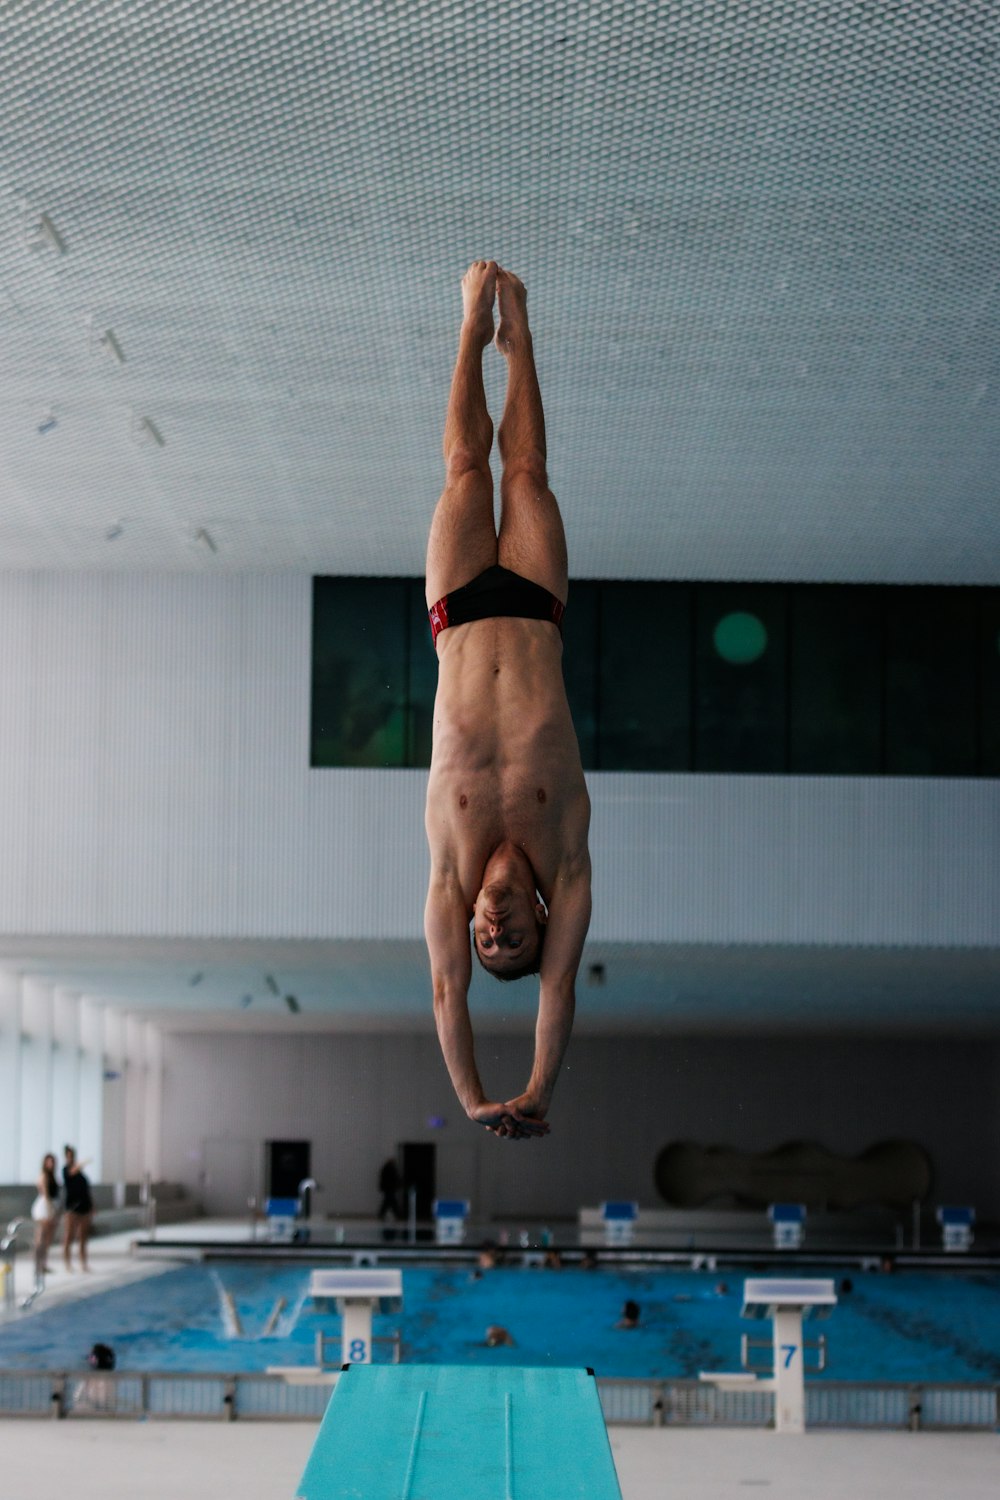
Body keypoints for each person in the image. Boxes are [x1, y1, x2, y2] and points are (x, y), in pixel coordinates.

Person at [424, 263, 592, 1143]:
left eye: (487, 943)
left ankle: (467, 322)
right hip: (535, 612)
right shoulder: (565, 863)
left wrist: (471, 1099)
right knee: (524, 474)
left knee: (463, 471)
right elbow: (559, 990)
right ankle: (516, 319)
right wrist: (535, 1091)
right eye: (511, 942)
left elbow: (449, 993)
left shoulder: (451, 873)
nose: (492, 934)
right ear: (539, 920)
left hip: (455, 617)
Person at [62, 1145, 94, 1272]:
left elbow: (87, 1191)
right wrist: (82, 1164)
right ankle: (67, 1263)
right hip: (72, 1208)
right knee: (69, 1236)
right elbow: (71, 1172)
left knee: (83, 1237)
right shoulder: (65, 1170)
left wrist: (92, 1206)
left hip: (84, 1207)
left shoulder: (81, 1176)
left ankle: (83, 1262)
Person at [31, 1153, 60, 1276]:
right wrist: (49, 1211)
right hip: (44, 1207)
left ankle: (43, 1263)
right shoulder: (44, 1176)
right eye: (49, 1162)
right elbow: (46, 1195)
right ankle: (37, 1264)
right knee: (41, 1237)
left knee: (47, 1238)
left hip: (51, 1205)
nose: (51, 1164)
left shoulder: (53, 1177)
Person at [376, 1157, 402, 1222]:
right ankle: (397, 1214)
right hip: (390, 1188)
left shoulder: (386, 1168)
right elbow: (393, 1178)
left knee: (388, 1202)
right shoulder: (390, 1169)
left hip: (388, 1188)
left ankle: (383, 1214)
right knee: (391, 1202)